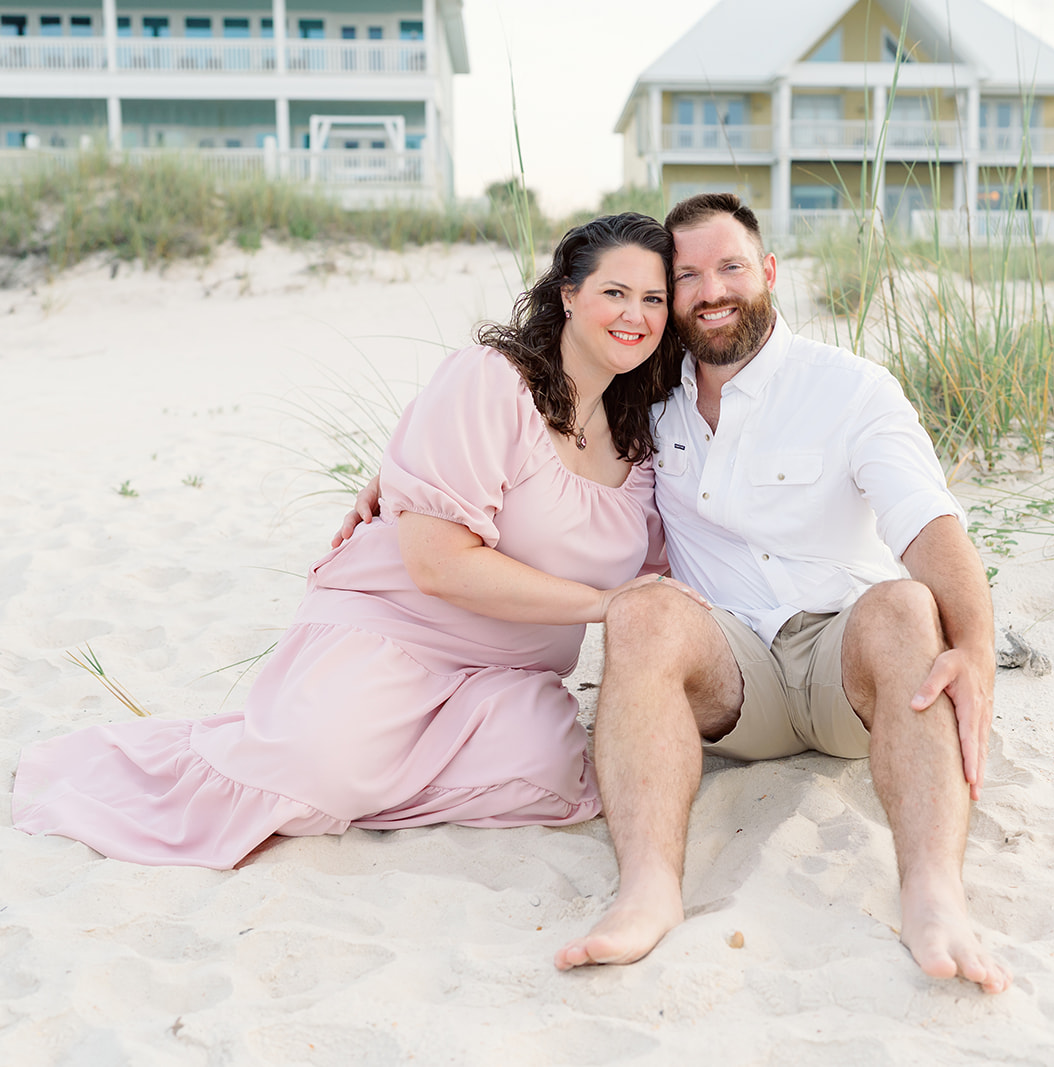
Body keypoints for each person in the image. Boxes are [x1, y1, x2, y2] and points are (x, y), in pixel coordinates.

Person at [338, 194, 1010, 993]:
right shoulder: (651, 402)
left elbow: (930, 527)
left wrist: (972, 646)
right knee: (646, 610)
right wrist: (398, 473)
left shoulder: (851, 390)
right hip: (733, 674)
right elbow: (535, 419)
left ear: (766, 273)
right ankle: (649, 891)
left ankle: (933, 893)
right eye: (684, 277)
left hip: (845, 669)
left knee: (906, 604)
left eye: (729, 267)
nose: (709, 290)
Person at [12, 212, 707, 870]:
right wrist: (606, 602)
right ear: (568, 294)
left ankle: (369, 771)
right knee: (314, 770)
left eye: (652, 298)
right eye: (614, 291)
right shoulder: (491, 381)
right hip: (396, 630)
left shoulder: (646, 442)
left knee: (549, 778)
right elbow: (438, 565)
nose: (634, 314)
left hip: (508, 676)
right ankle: (323, 756)